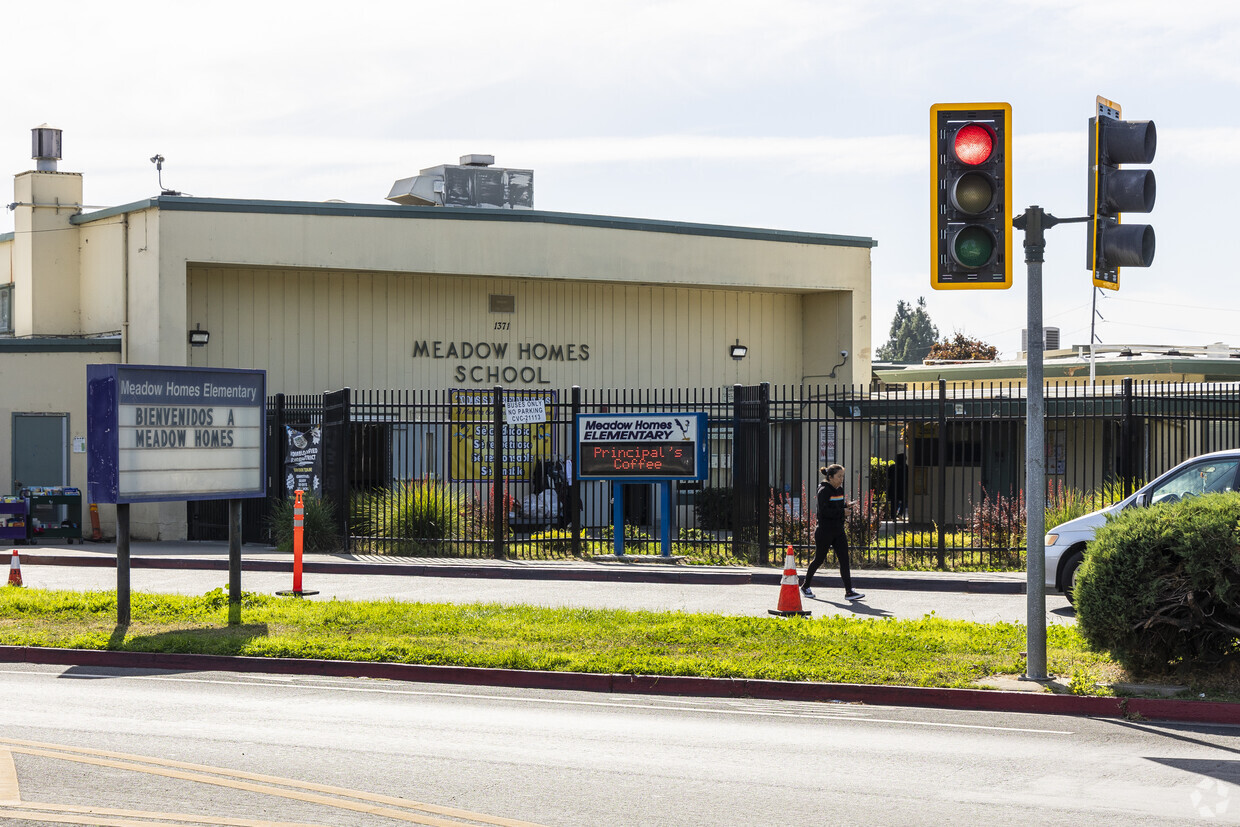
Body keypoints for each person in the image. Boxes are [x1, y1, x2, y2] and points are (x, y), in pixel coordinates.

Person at [802, 463, 864, 602]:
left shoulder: (839, 489)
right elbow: (824, 511)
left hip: (838, 531)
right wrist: (842, 511)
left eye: (842, 476)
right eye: (839, 476)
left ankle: (849, 591)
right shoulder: (824, 490)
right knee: (819, 559)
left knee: (844, 560)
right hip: (825, 531)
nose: (841, 479)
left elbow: (837, 506)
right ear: (830, 477)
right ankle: (805, 586)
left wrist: (846, 505)